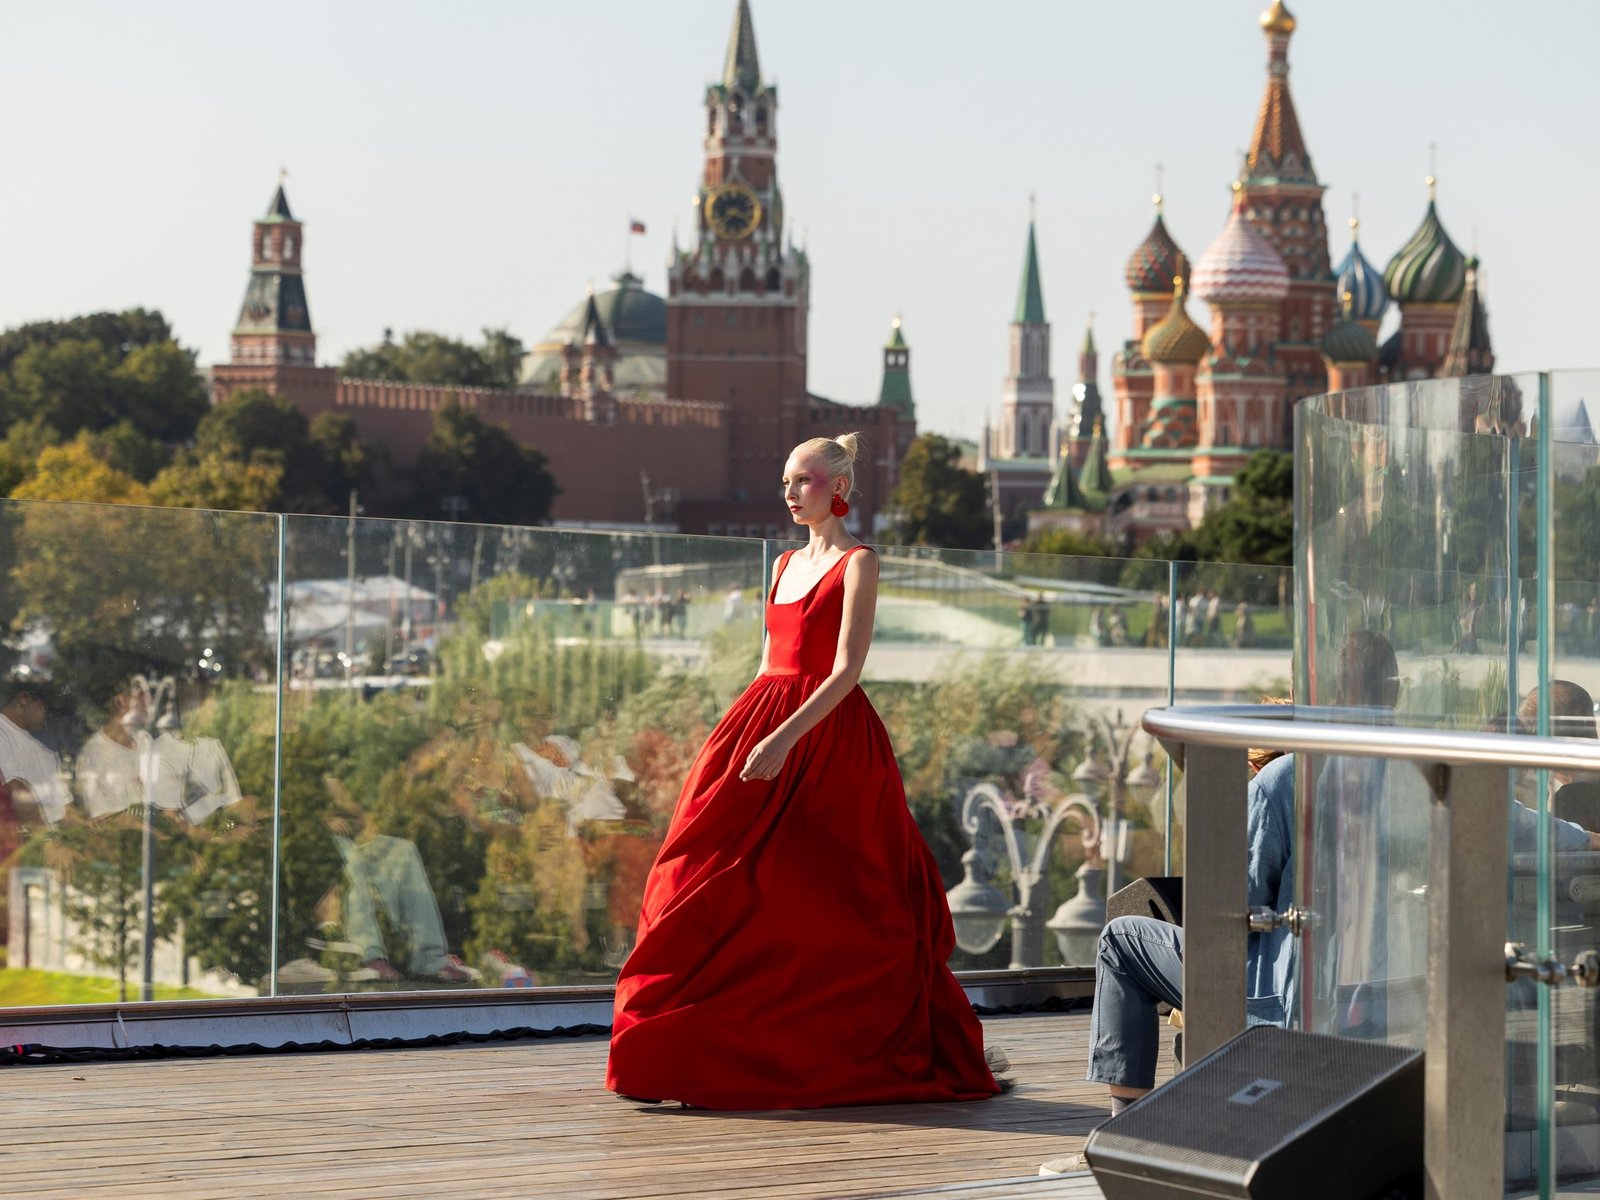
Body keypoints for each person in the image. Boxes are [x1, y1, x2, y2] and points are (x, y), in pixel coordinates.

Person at [607, 432, 1000, 1110]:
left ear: (838, 489)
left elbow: (847, 671)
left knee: (832, 900)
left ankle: (820, 1049)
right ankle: (681, 1047)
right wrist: (737, 738)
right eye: (786, 481)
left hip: (829, 739)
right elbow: (769, 663)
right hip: (766, 720)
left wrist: (784, 739)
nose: (790, 493)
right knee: (702, 876)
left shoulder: (859, 564)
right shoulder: (785, 563)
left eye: (804, 481)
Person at [1038, 699, 1296, 1176]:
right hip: (1342, 993)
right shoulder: (1361, 778)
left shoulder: (1274, 786)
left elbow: (1234, 908)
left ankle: (1123, 1137)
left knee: (1122, 938)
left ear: (1253, 761)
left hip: (1273, 995)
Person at [0, 678, 70, 826]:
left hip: (57, 840)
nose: (48, 715)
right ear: (23, 699)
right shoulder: (2, 733)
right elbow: (16, 792)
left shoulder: (44, 745)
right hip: (28, 843)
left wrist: (84, 827)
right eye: (45, 707)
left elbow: (64, 805)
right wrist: (46, 844)